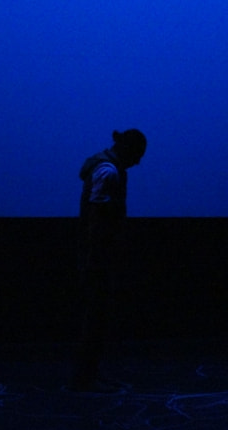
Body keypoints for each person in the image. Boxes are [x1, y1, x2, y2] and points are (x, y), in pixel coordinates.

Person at [69, 129, 147, 393]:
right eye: (137, 155)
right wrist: (96, 258)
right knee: (94, 316)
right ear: (128, 150)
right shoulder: (108, 172)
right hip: (97, 256)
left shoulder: (107, 169)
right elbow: (97, 219)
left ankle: (89, 374)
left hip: (97, 254)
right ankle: (85, 377)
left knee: (96, 316)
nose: (138, 162)